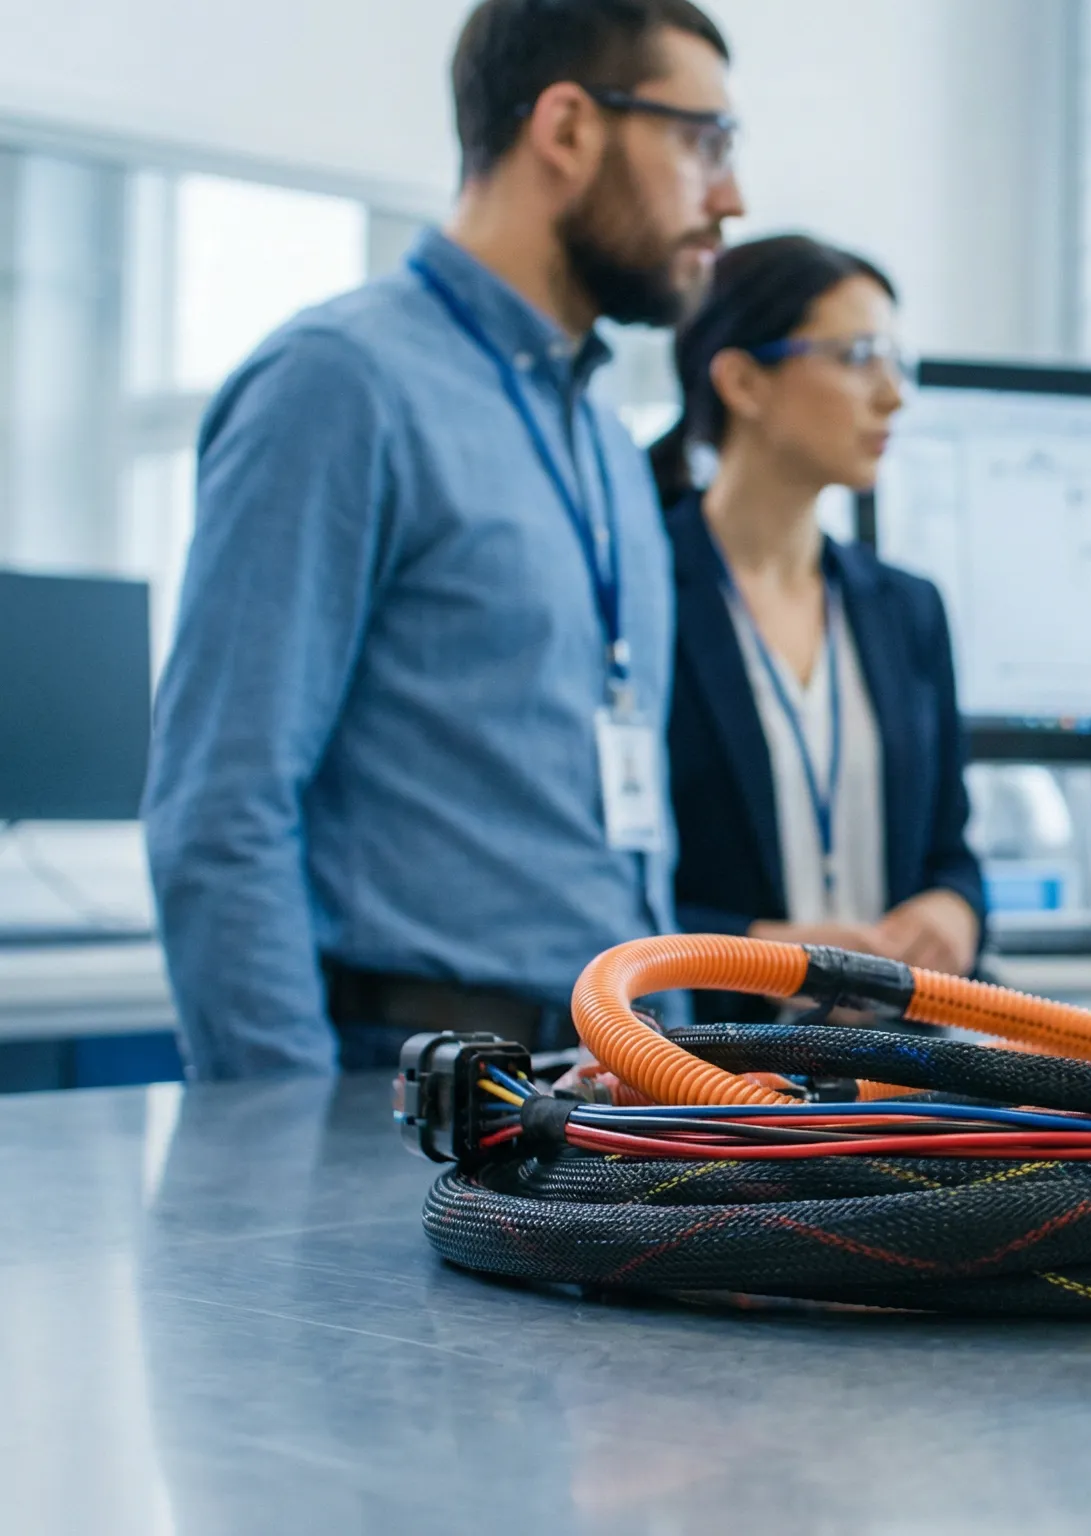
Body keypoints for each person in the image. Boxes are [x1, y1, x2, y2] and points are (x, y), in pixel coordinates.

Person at [142, 0, 745, 1078]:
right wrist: (278, 1141)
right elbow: (221, 807)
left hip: (606, 1081)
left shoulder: (602, 439)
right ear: (567, 129)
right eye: (702, 142)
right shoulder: (339, 384)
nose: (729, 197)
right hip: (409, 1080)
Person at [651, 235, 985, 1008]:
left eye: (897, 362)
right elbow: (597, 885)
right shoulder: (638, 591)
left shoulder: (908, 610)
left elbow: (952, 855)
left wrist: (955, 908)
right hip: (705, 1075)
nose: (892, 394)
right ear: (742, 380)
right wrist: (757, 954)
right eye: (858, 356)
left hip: (893, 1080)